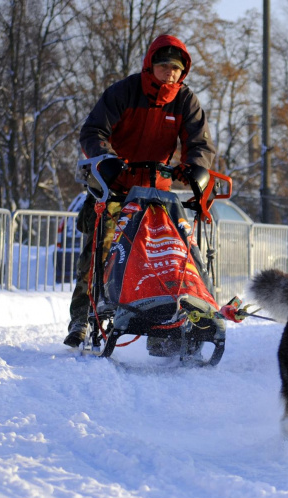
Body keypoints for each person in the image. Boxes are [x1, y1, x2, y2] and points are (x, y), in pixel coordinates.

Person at [64, 34, 216, 347]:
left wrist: (195, 167)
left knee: (172, 254)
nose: (170, 73)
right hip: (115, 189)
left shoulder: (185, 100)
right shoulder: (124, 92)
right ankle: (83, 318)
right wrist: (106, 159)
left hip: (158, 194)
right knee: (100, 249)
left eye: (177, 68)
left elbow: (199, 142)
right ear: (151, 65)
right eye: (165, 66)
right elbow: (93, 131)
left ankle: (171, 319)